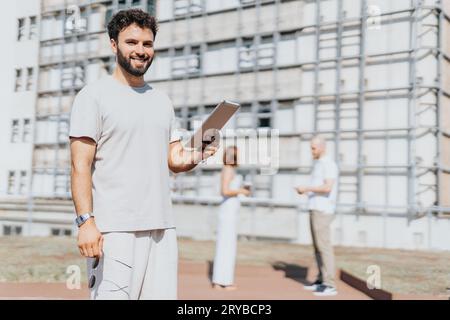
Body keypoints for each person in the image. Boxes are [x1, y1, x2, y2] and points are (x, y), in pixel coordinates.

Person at [69, 9, 217, 300]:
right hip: (114, 231)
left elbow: (174, 160)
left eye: (147, 44)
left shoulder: (162, 101)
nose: (141, 50)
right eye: (132, 42)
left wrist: (198, 153)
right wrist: (85, 222)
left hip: (162, 228)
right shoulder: (93, 96)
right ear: (114, 44)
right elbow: (79, 165)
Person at [295, 135, 339, 297]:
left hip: (323, 210)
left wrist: (306, 188)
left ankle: (330, 284)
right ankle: (321, 280)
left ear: (321, 147)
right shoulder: (319, 164)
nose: (311, 151)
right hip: (314, 208)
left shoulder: (329, 164)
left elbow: (327, 187)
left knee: (324, 247)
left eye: (313, 148)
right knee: (317, 248)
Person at [212, 146, 250, 290]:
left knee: (226, 244)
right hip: (228, 210)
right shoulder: (228, 170)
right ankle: (223, 281)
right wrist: (242, 191)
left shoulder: (229, 169)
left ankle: (221, 279)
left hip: (230, 210)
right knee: (226, 245)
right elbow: (225, 191)